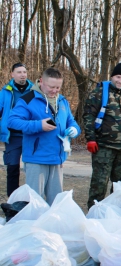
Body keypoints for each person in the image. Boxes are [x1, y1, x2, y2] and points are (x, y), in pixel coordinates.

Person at [8, 67, 80, 205]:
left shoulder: (62, 100)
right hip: (37, 158)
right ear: (41, 82)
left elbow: (72, 121)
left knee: (56, 202)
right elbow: (12, 121)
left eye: (58, 87)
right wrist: (38, 125)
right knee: (36, 202)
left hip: (57, 158)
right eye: (51, 87)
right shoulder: (28, 98)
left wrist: (74, 129)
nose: (54, 91)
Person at [83, 63, 121, 209]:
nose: (120, 81)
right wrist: (90, 139)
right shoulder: (99, 93)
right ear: (112, 77)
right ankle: (94, 214)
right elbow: (88, 116)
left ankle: (117, 214)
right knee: (99, 184)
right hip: (104, 147)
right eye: (118, 77)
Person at [0, 63, 34, 197]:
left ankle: (30, 201)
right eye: (19, 72)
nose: (23, 75)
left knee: (32, 170)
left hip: (30, 135)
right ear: (12, 75)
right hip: (12, 137)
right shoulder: (6, 91)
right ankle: (12, 203)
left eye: (24, 72)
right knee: (12, 170)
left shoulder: (34, 91)